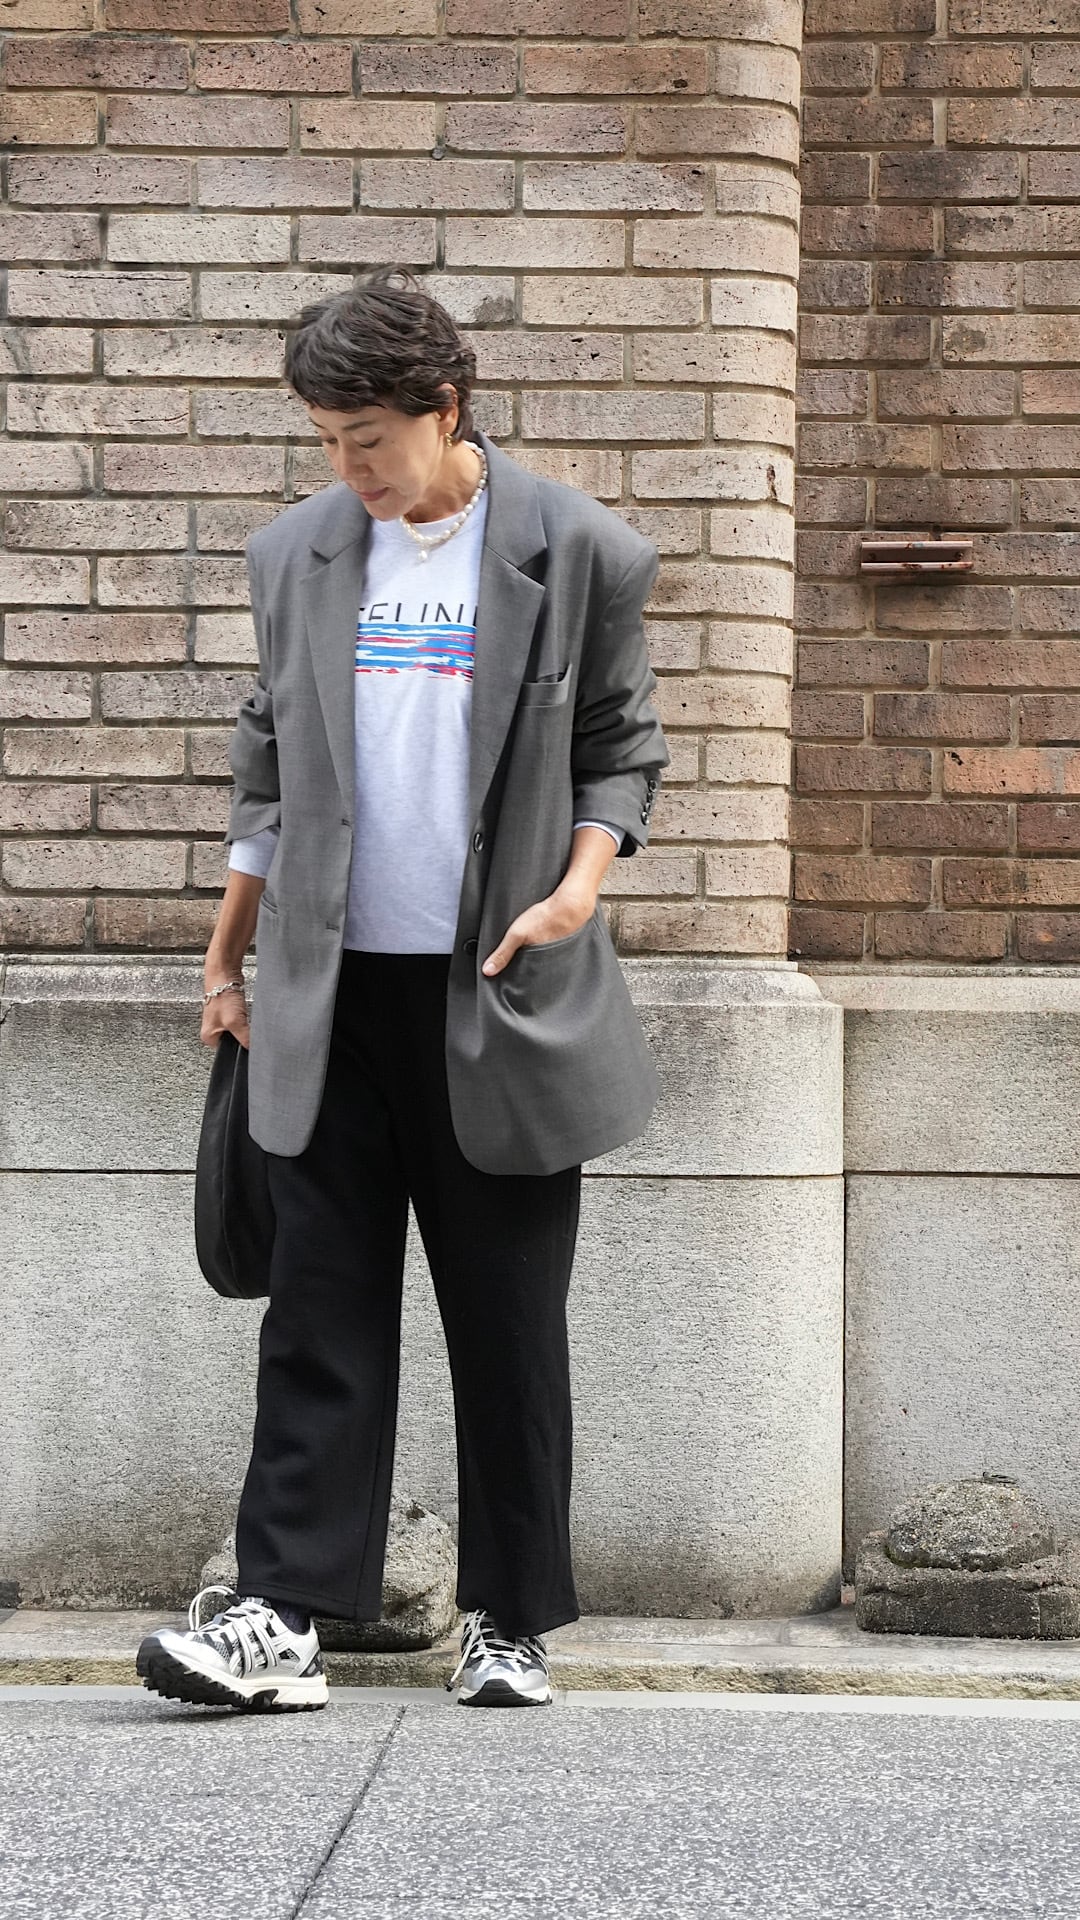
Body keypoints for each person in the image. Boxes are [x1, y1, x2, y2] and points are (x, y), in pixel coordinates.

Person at [137, 266, 669, 1712]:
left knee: (507, 1320)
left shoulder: (578, 548)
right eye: (324, 441)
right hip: (329, 994)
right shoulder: (299, 554)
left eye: (366, 440)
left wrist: (580, 887)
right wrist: (230, 953)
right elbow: (267, 762)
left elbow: (623, 746)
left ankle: (512, 1621)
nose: (346, 470)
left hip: (497, 989)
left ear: (447, 408)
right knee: (317, 1309)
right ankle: (281, 1618)